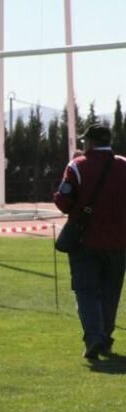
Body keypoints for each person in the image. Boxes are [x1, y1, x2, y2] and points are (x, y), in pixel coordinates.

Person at [53, 123, 126, 360]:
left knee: (85, 291)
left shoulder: (77, 166)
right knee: (110, 291)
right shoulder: (123, 165)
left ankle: (94, 336)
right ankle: (105, 335)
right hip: (119, 242)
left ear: (90, 142)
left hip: (86, 240)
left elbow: (63, 201)